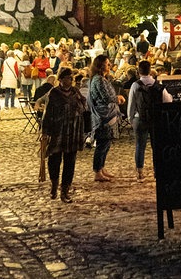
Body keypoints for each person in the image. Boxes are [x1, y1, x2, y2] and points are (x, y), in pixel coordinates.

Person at [41, 68, 88, 203]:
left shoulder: (75, 92)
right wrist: (45, 131)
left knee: (70, 162)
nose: (70, 80)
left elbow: (84, 105)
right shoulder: (54, 93)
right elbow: (48, 113)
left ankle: (65, 190)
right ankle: (54, 184)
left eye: (71, 78)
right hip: (58, 131)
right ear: (60, 79)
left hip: (73, 131)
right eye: (67, 78)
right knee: (54, 160)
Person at [127, 60, 173, 180]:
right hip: (156, 118)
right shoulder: (157, 84)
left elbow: (131, 104)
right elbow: (168, 100)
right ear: (150, 70)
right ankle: (157, 171)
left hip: (139, 118)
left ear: (139, 71)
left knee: (140, 146)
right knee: (156, 146)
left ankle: (140, 172)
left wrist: (130, 119)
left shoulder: (135, 85)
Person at [87, 55, 126, 182]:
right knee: (102, 143)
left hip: (108, 114)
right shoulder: (98, 80)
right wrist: (117, 98)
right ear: (100, 65)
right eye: (107, 63)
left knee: (106, 142)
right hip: (103, 115)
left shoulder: (101, 79)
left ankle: (101, 168)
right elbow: (105, 97)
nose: (109, 65)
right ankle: (97, 171)